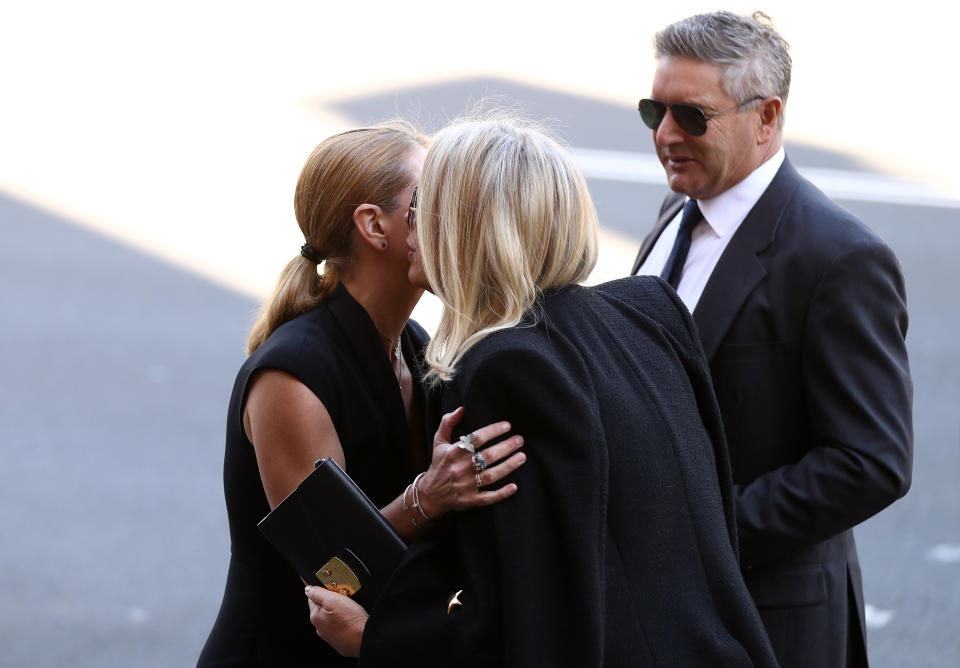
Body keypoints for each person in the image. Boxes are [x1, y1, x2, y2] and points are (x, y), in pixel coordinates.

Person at [305, 118, 778, 667]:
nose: (409, 236)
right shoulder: (651, 313)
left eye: (420, 213)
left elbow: (532, 612)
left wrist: (374, 640)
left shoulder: (506, 367)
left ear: (462, 227)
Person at [631, 11, 913, 667]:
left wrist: (706, 531)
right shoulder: (675, 212)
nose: (667, 135)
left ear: (767, 117)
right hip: (662, 611)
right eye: (654, 111)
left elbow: (870, 461)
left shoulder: (840, 258)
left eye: (692, 116)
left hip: (768, 624)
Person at [198, 122, 526, 666]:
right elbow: (332, 566)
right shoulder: (292, 373)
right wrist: (430, 497)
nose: (452, 215)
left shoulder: (415, 347)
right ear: (375, 225)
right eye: (429, 199)